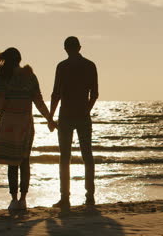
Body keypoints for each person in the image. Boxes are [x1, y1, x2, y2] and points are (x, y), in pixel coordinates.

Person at [0, 47, 57, 211]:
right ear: (19, 59)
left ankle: (14, 200)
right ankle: (24, 199)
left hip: (9, 125)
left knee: (12, 163)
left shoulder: (3, 77)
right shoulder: (30, 76)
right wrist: (49, 119)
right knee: (25, 161)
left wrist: (5, 107)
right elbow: (38, 101)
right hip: (25, 124)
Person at [50, 36, 99, 209]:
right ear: (79, 47)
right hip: (82, 114)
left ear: (65, 48)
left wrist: (50, 116)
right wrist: (87, 110)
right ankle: (90, 196)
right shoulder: (90, 65)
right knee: (87, 154)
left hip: (66, 115)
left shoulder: (62, 67)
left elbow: (55, 93)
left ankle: (65, 197)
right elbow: (94, 94)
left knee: (65, 156)